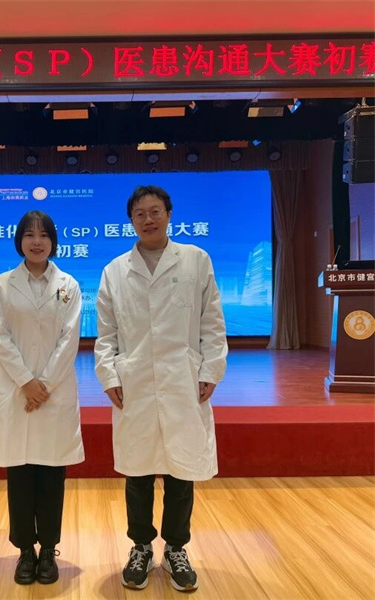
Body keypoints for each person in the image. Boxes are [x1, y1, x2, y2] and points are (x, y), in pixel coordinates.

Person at [94, 185, 227, 591]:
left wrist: (211, 369)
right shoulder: (115, 270)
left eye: (155, 211)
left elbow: (211, 321)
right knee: (138, 473)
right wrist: (109, 376)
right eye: (140, 214)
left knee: (180, 472)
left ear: (169, 214)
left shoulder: (195, 260)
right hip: (134, 383)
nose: (148, 219)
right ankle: (140, 547)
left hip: (183, 379)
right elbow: (106, 334)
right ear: (131, 221)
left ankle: (175, 548)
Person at [0, 210, 84, 585]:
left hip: (54, 394)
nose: (36, 241)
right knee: (21, 475)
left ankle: (49, 550)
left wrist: (45, 385)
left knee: (52, 475)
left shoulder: (68, 285)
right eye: (29, 234)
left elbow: (69, 338)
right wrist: (27, 382)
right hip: (16, 390)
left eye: (43, 234)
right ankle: (25, 550)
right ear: (19, 241)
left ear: (53, 241)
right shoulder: (3, 284)